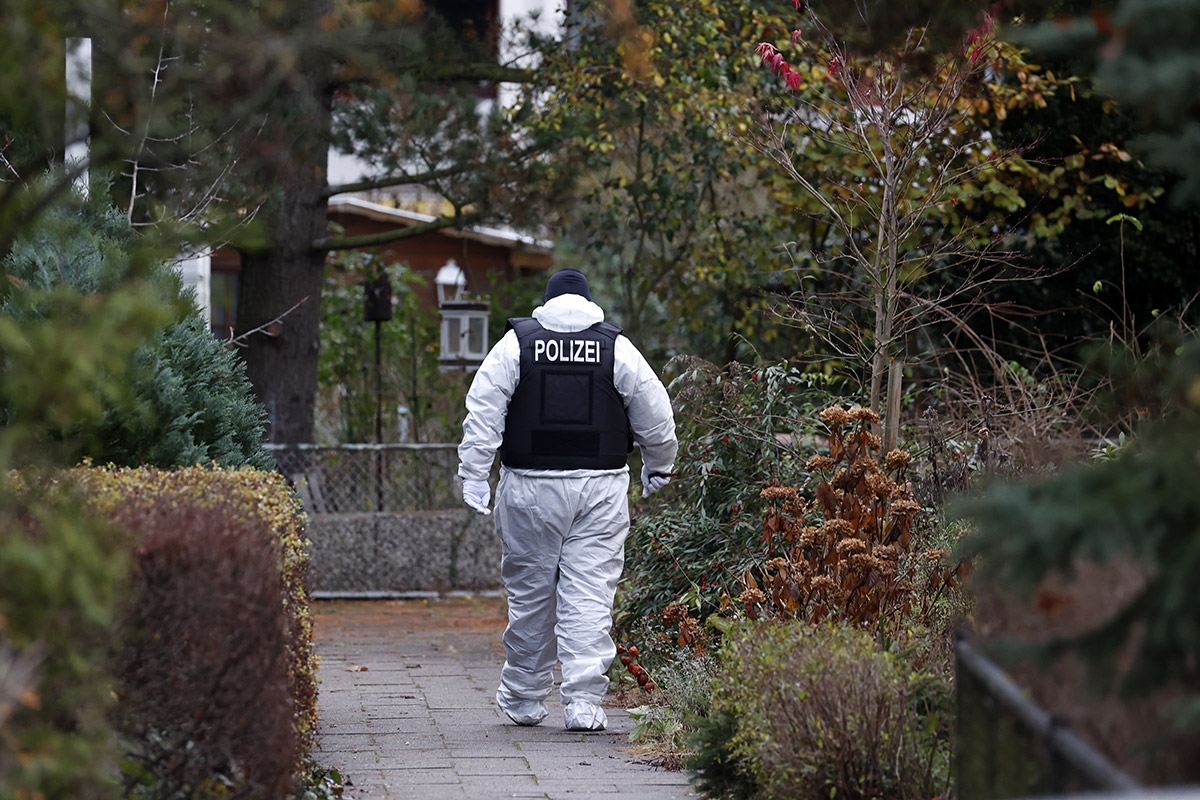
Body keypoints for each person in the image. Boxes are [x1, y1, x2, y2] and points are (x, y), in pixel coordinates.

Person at [457, 268, 677, 732]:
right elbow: (655, 413)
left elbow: (483, 411)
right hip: (600, 489)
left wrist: (475, 476)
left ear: (547, 301)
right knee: (590, 594)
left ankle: (521, 698)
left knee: (532, 596)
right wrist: (658, 467)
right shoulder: (617, 348)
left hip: (529, 488)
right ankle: (583, 704)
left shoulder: (516, 345)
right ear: (590, 303)